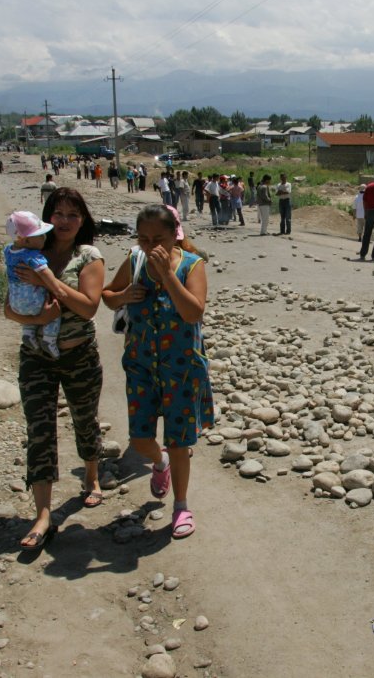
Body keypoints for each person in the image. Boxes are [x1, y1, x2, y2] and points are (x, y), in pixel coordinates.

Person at [101, 205, 213, 539]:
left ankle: (181, 507)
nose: (152, 247)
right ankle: (159, 464)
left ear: (174, 235)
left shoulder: (192, 265)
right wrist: (122, 295)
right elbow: (107, 296)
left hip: (181, 368)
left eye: (159, 239)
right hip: (141, 367)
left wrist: (166, 275)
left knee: (179, 442)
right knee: (140, 438)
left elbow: (194, 313)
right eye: (144, 239)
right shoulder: (135, 260)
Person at [4, 188, 106, 550]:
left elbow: (89, 308)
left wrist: (48, 282)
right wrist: (40, 316)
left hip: (78, 354)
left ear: (83, 221)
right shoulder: (30, 252)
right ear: (47, 218)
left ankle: (91, 477)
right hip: (36, 356)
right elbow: (8, 308)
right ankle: (43, 514)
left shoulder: (88, 256)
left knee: (85, 418)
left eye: (73, 215)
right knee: (40, 429)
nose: (65, 222)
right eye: (58, 214)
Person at [4, 210, 64, 357]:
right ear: (27, 241)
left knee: (28, 315)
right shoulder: (32, 255)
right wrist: (57, 289)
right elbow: (44, 272)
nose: (44, 238)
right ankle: (49, 340)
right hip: (32, 299)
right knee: (54, 313)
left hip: (14, 300)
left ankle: (28, 333)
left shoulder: (8, 250)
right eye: (40, 235)